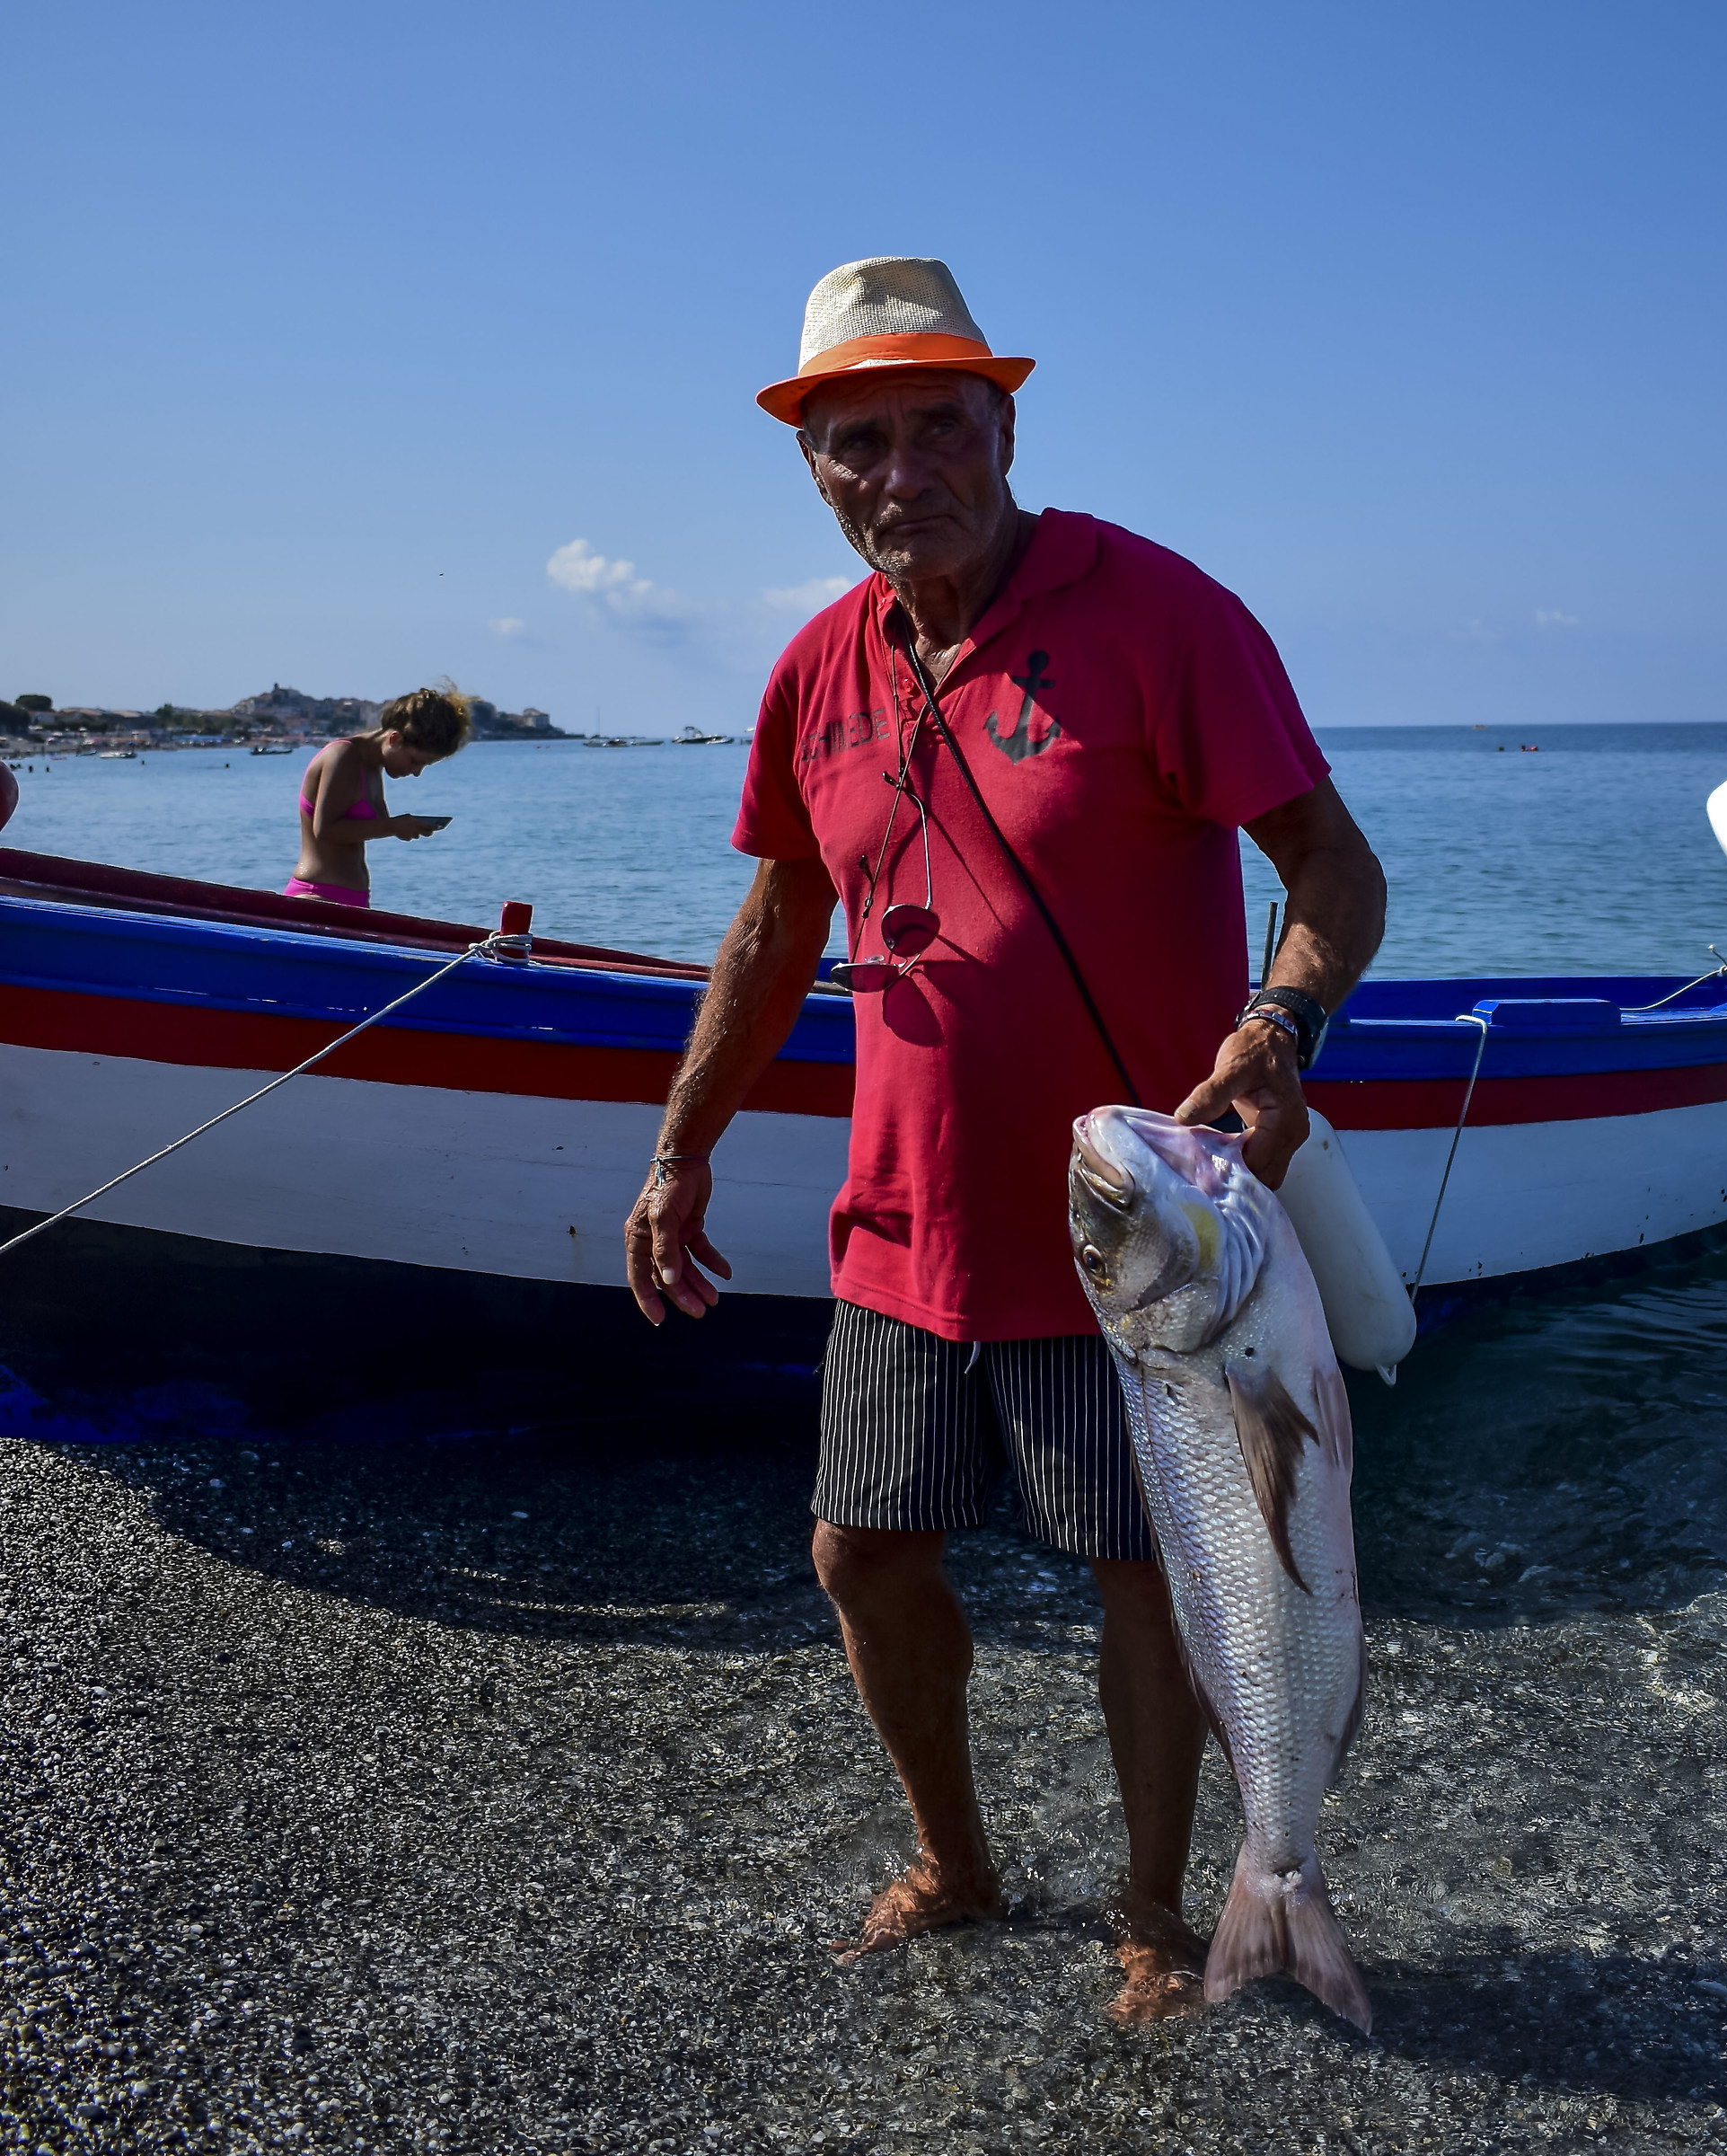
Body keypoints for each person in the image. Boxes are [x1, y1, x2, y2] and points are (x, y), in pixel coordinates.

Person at [622, 258, 1387, 2024]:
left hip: (1132, 1234)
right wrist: (680, 1148)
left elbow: (1333, 869)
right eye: (859, 443)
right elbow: (775, 925)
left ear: (1007, 429)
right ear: (812, 466)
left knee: (1152, 1580)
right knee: (861, 1552)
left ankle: (1156, 1917)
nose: (905, 474)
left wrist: (1278, 1030)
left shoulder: (1161, 615)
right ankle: (956, 1864)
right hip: (902, 1224)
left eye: (940, 429)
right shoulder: (818, 667)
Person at [285, 685, 467, 906]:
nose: (416, 772)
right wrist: (394, 826)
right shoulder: (343, 757)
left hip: (353, 898)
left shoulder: (372, 765)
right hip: (317, 896)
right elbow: (326, 830)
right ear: (395, 739)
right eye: (415, 761)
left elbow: (364, 828)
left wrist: (405, 827)